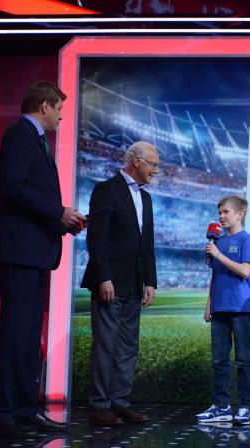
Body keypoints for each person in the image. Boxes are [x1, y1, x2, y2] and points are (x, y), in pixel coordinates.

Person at [0, 81, 86, 436]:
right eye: (59, 108)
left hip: (33, 251)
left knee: (28, 337)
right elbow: (12, 187)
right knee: (15, 334)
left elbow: (31, 195)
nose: (61, 116)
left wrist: (62, 220)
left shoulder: (36, 140)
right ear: (44, 105)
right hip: (18, 251)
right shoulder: (20, 134)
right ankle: (2, 413)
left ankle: (26, 410)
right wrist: (57, 213)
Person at [81, 141, 159, 426]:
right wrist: (104, 277)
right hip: (110, 283)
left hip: (135, 284)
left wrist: (150, 281)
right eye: (153, 165)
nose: (156, 171)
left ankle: (120, 402)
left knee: (128, 346)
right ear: (137, 161)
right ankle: (99, 405)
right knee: (106, 345)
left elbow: (147, 244)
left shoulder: (146, 198)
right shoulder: (106, 190)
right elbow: (96, 239)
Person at [195, 196, 250, 426]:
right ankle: (220, 406)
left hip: (240, 307)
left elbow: (245, 271)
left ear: (240, 214)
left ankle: (246, 407)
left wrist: (219, 255)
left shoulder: (246, 240)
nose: (221, 216)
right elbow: (216, 275)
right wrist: (209, 304)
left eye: (226, 212)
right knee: (219, 360)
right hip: (219, 307)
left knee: (243, 359)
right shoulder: (218, 241)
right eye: (219, 212)